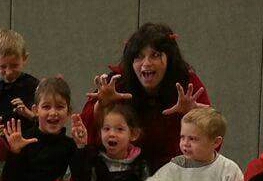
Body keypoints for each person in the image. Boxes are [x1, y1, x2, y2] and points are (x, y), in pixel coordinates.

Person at [80, 23, 211, 173]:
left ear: (169, 58)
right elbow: (84, 136)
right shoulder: (117, 82)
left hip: (176, 173)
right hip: (123, 171)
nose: (146, 63)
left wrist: (194, 117)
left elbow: (213, 138)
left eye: (155, 55)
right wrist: (101, 107)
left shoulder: (187, 84)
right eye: (139, 57)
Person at [0, 29, 39, 124]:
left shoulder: (35, 87)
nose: (9, 72)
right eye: (2, 67)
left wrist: (30, 115)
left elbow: (45, 123)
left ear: (24, 59)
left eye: (14, 66)